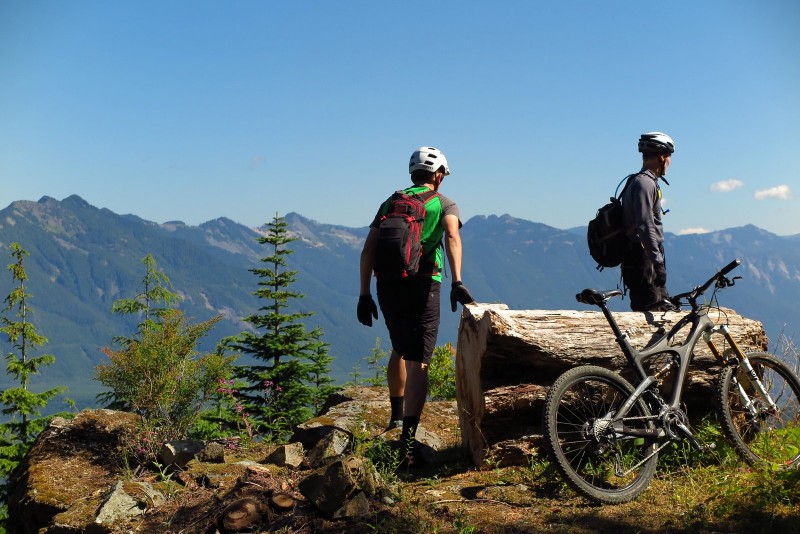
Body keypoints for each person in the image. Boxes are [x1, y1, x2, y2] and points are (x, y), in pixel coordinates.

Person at [357, 146, 474, 468]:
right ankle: (407, 443)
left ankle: (395, 417)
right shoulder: (444, 203)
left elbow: (368, 249)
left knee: (400, 347)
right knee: (420, 358)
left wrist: (364, 293)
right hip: (424, 282)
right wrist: (458, 281)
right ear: (439, 176)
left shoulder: (391, 201)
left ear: (413, 175)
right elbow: (452, 236)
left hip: (387, 283)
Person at [621, 132, 675, 312]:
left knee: (660, 310)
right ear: (662, 156)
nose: (670, 162)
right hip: (644, 259)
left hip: (643, 257)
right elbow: (645, 225)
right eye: (669, 157)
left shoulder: (641, 181)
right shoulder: (645, 183)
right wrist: (657, 261)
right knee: (653, 312)